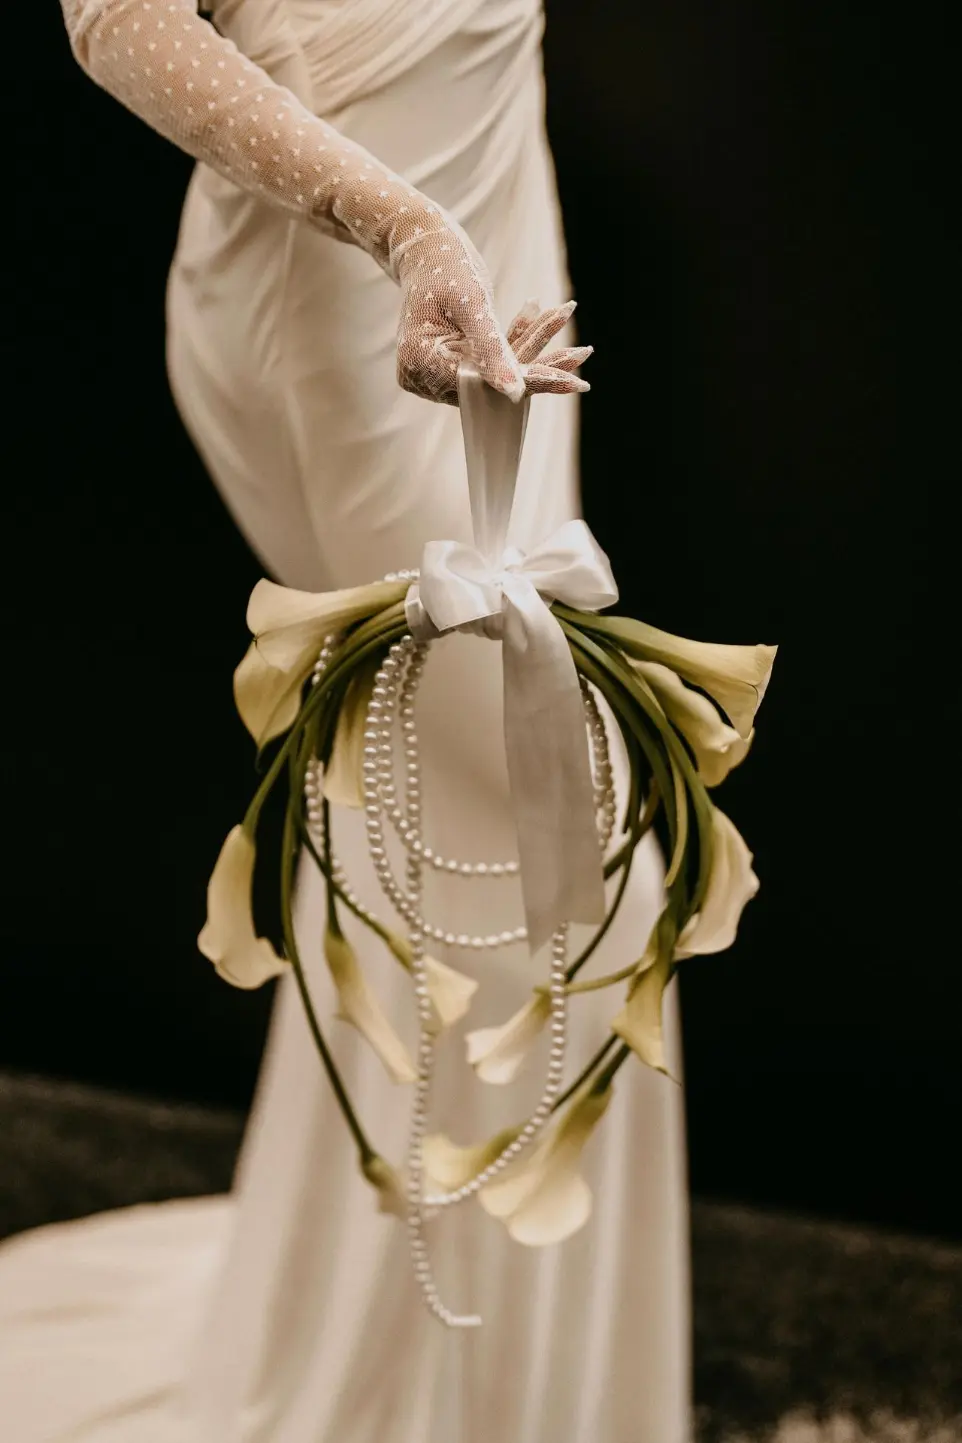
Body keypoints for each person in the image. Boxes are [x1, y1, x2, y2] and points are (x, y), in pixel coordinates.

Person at [0, 2, 691, 1438]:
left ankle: (413, 1341)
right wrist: (404, 228)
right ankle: (426, 1383)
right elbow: (119, 18)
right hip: (368, 291)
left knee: (461, 829)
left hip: (489, 215)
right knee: (539, 837)